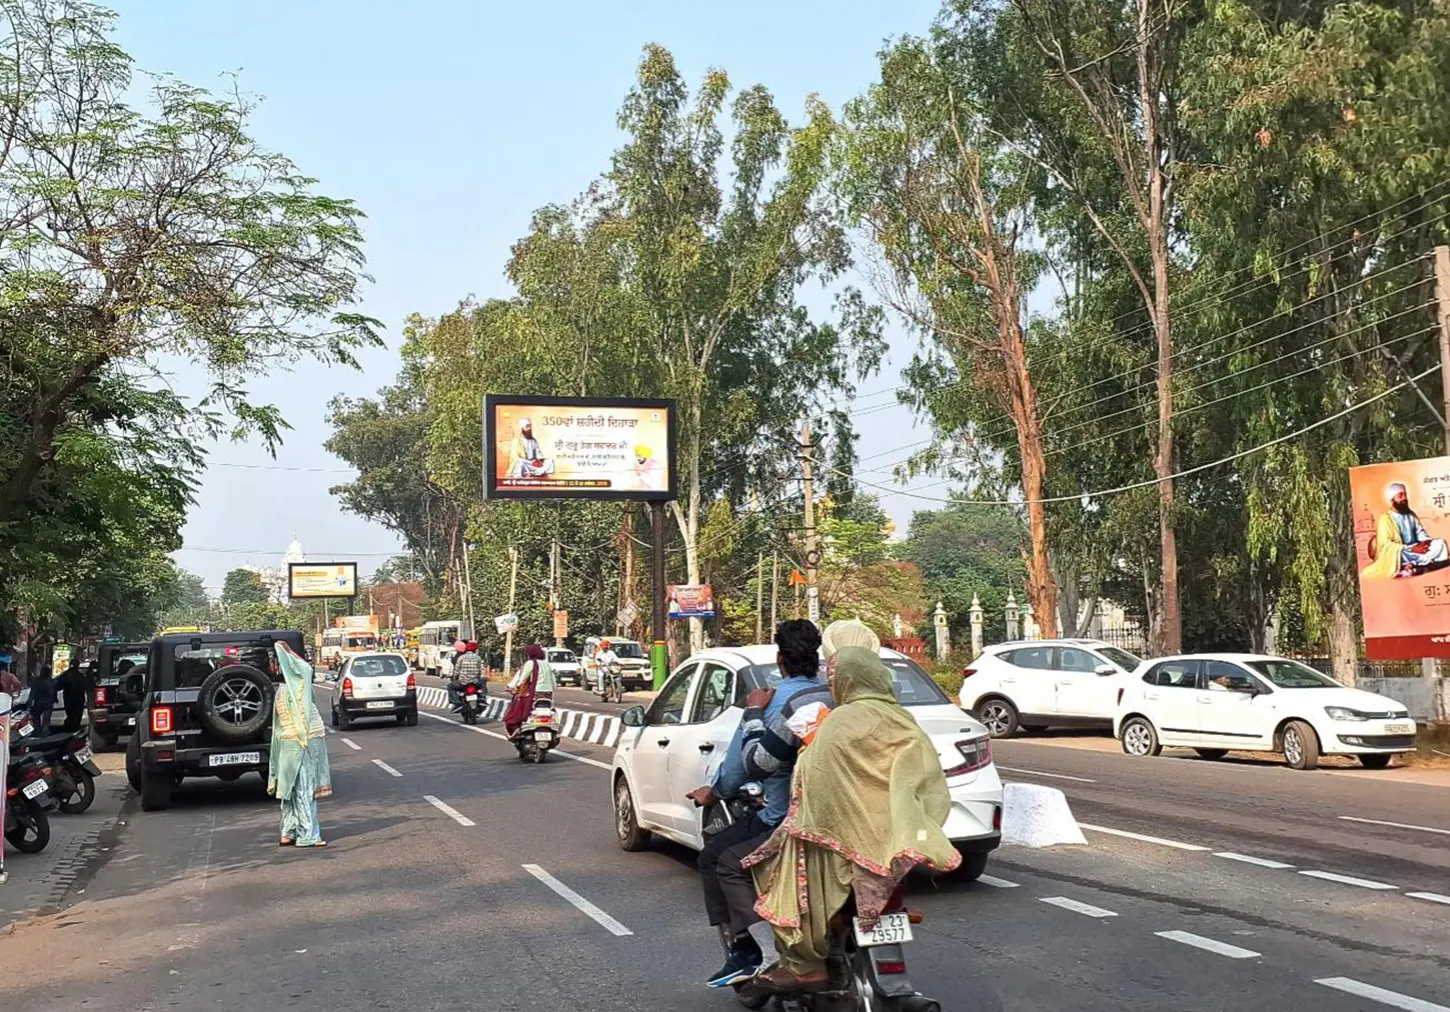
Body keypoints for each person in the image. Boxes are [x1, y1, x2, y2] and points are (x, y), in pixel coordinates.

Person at [741, 645, 959, 993]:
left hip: (840, 839)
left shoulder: (839, 721)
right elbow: (925, 779)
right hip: (891, 839)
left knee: (771, 869)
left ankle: (804, 967)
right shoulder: (903, 719)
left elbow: (813, 783)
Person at [687, 619, 834, 988]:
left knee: (718, 859)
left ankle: (751, 950)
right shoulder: (839, 698)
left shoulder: (779, 703)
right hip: (844, 816)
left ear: (780, 659)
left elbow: (748, 767)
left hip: (788, 817)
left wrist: (753, 713)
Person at [267, 642, 333, 848]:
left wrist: (285, 651)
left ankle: (288, 832)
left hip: (288, 743)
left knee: (290, 791)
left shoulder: (281, 691)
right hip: (304, 742)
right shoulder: (298, 688)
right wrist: (286, 651)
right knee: (306, 790)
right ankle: (308, 835)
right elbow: (306, 668)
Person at [1364, 481, 1450, 579]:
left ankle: (1412, 565)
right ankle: (1412, 565)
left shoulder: (1411, 515)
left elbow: (1419, 532)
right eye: (1400, 495)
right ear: (1393, 500)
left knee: (1440, 543)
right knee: (1399, 554)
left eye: (1405, 495)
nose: (1404, 498)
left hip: (1416, 547)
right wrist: (1410, 549)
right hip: (1402, 551)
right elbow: (1385, 544)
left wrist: (1425, 542)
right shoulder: (1386, 518)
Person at [504, 644, 554, 735]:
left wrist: (516, 688)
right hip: (548, 695)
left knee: (517, 709)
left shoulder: (530, 663)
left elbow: (522, 679)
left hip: (534, 694)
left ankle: (516, 728)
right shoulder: (547, 664)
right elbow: (554, 682)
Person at [449, 641, 483, 711]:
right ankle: (482, 697)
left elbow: (456, 670)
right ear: (475, 650)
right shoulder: (478, 658)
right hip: (475, 682)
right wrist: (478, 678)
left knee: (450, 686)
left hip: (463, 682)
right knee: (483, 683)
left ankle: (456, 703)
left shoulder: (461, 658)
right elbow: (480, 670)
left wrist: (455, 679)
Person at [59, 662, 86, 734]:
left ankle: (72, 729)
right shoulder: (78, 676)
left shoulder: (67, 675)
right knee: (74, 716)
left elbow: (58, 685)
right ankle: (72, 729)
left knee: (73, 716)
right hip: (76, 700)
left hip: (72, 700)